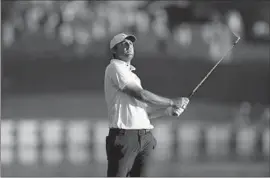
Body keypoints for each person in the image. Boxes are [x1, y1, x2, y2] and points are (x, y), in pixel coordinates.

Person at [104, 33, 189, 177]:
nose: (128, 46)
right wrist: (172, 101)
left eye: (130, 44)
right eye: (123, 44)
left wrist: (168, 111)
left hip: (144, 138)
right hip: (124, 137)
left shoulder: (133, 76)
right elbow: (140, 94)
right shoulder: (114, 68)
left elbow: (145, 112)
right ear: (114, 50)